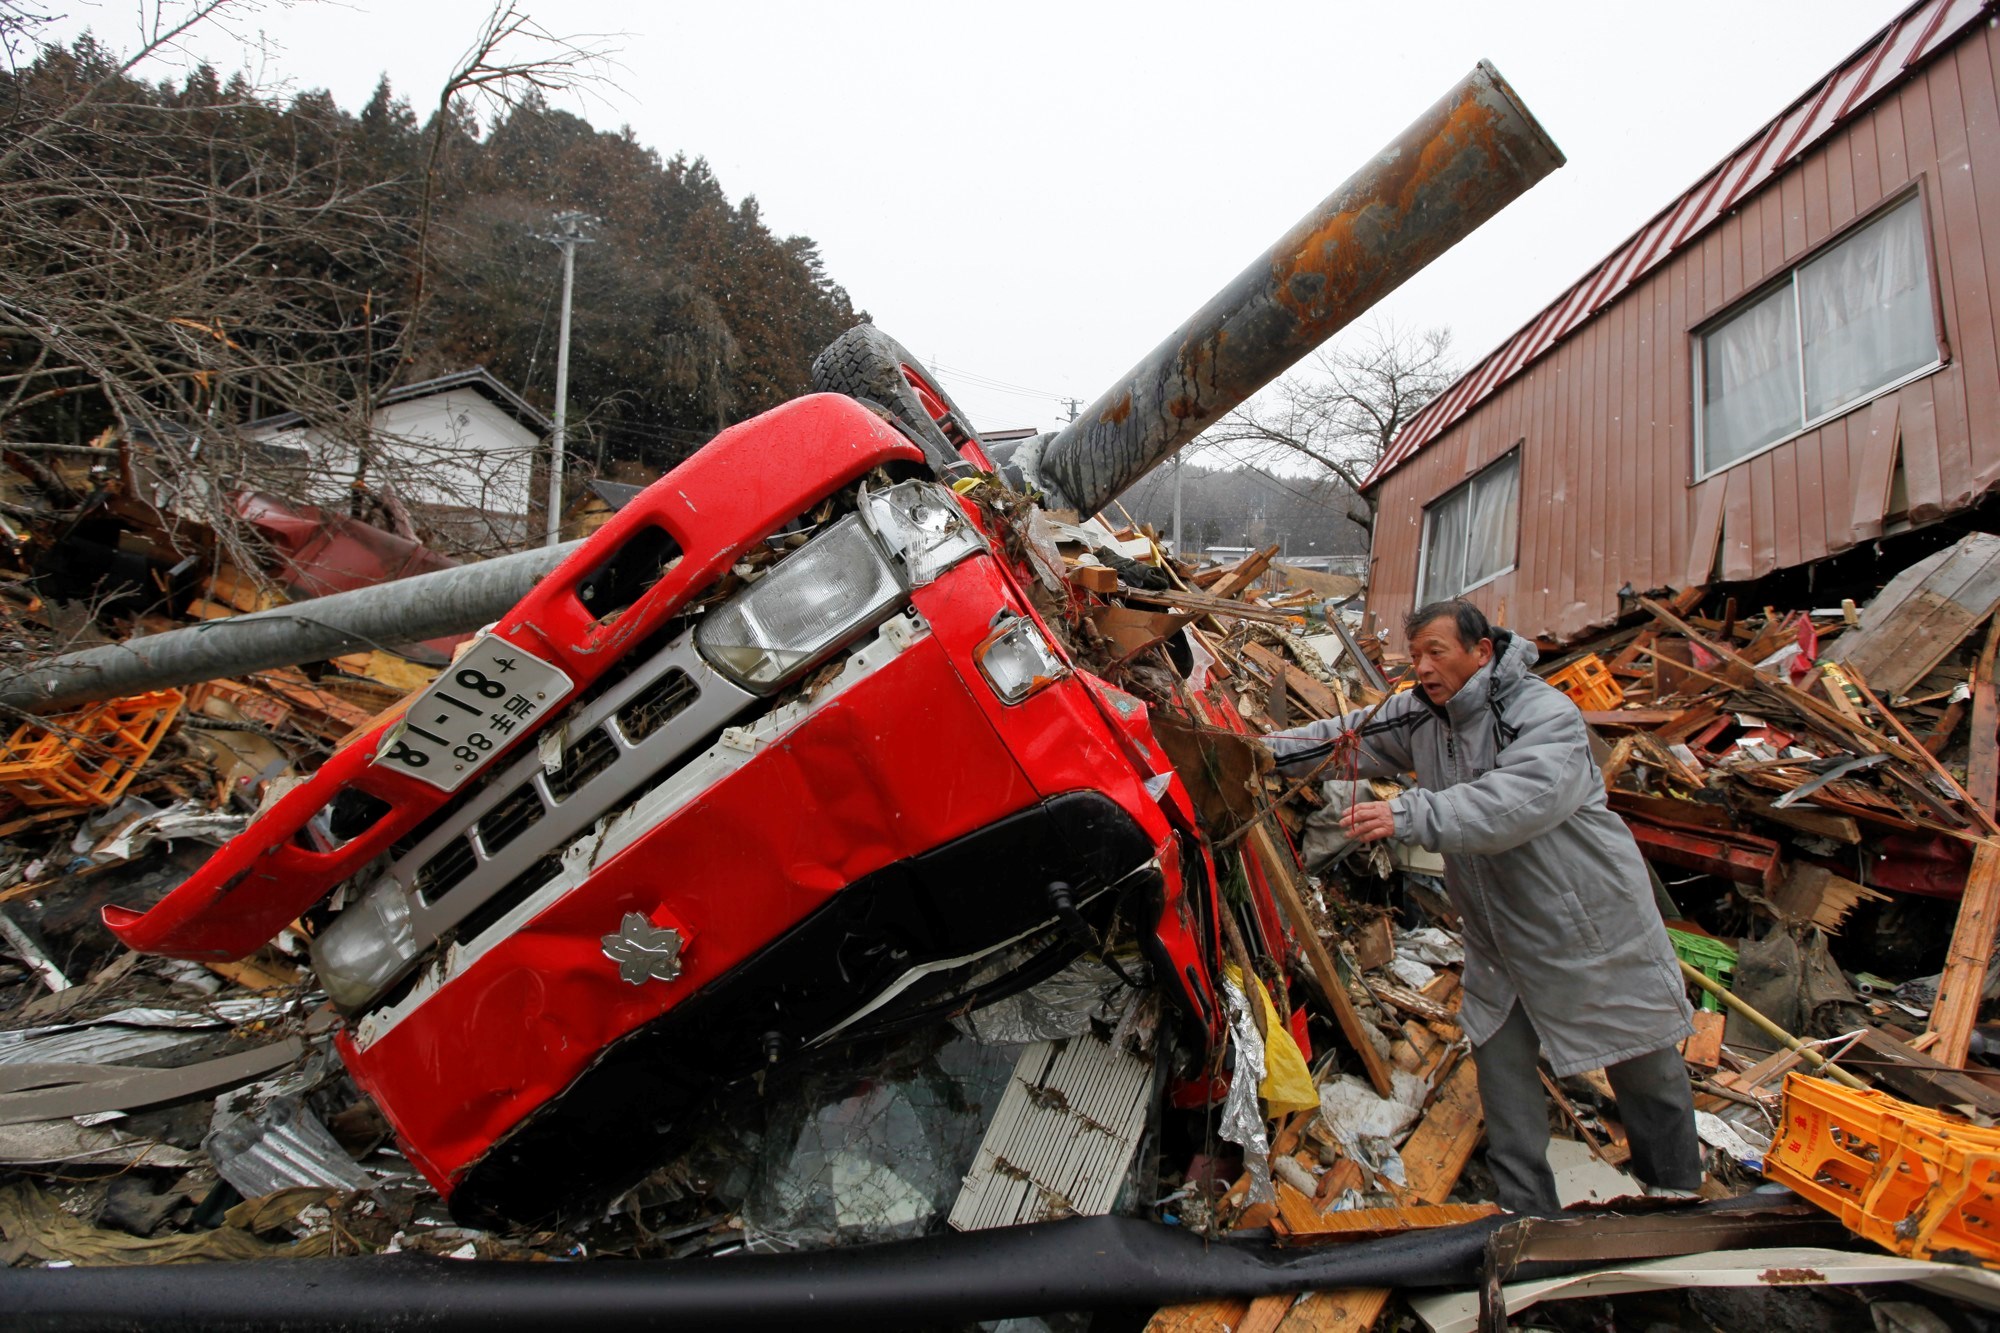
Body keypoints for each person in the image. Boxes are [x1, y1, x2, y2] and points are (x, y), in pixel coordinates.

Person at [1266, 598, 1701, 1213]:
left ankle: (1676, 1193)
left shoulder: (1542, 715)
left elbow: (1518, 802)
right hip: (1499, 930)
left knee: (1641, 1056)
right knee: (1502, 1069)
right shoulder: (1422, 714)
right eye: (1414, 655)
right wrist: (1254, 749)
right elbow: (1346, 739)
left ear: (1481, 652)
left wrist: (1409, 812)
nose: (1422, 667)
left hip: (1587, 922)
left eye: (1436, 652)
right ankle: (1527, 1211)